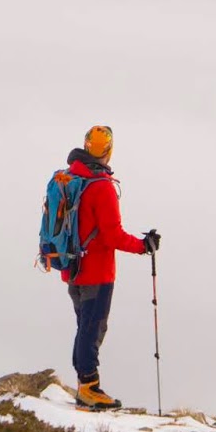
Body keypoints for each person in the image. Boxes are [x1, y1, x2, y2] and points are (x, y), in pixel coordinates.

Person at [61, 125, 159, 411]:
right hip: (96, 271)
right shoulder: (101, 186)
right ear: (108, 151)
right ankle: (89, 388)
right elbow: (112, 235)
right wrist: (144, 246)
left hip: (72, 267)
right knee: (92, 329)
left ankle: (84, 383)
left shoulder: (70, 177)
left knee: (85, 327)